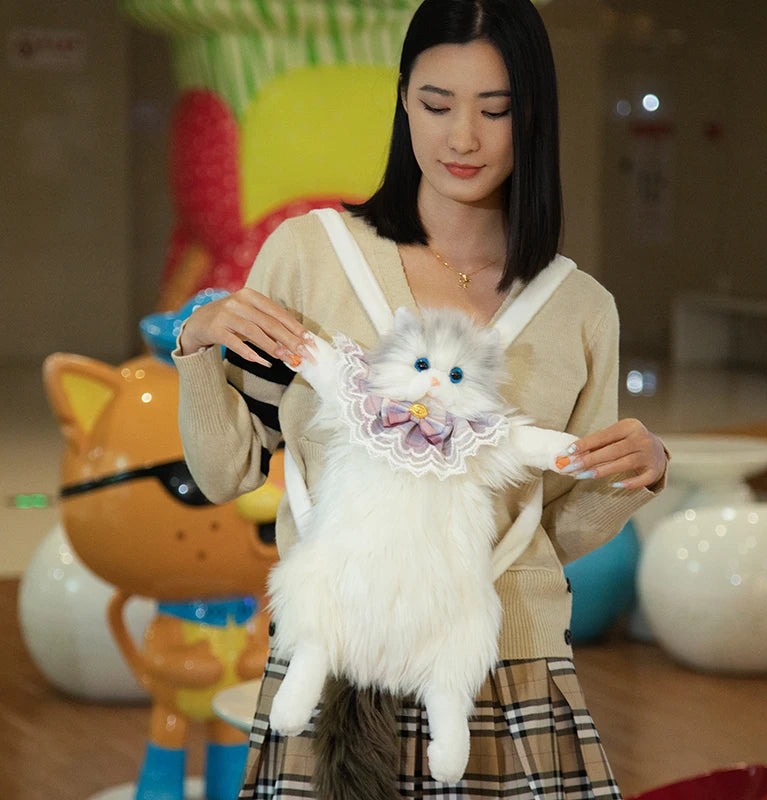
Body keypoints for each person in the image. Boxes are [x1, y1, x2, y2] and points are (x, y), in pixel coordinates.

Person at [173, 1, 668, 797]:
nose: (461, 137)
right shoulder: (311, 257)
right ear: (404, 100)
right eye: (437, 105)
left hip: (506, 669)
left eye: (495, 110)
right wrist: (199, 346)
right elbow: (225, 472)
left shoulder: (580, 308)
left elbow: (556, 527)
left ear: (533, 116)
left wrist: (636, 473)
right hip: (333, 669)